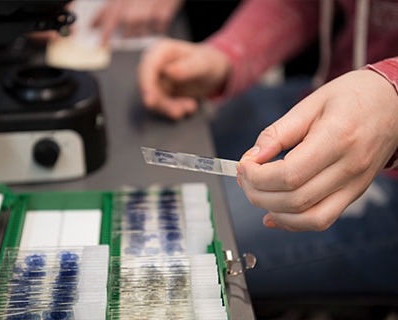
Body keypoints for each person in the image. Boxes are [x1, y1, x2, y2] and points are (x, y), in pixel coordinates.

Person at [138, 0, 398, 316]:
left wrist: (391, 98)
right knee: (154, 139)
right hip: (329, 96)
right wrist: (226, 54)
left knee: (169, 247)